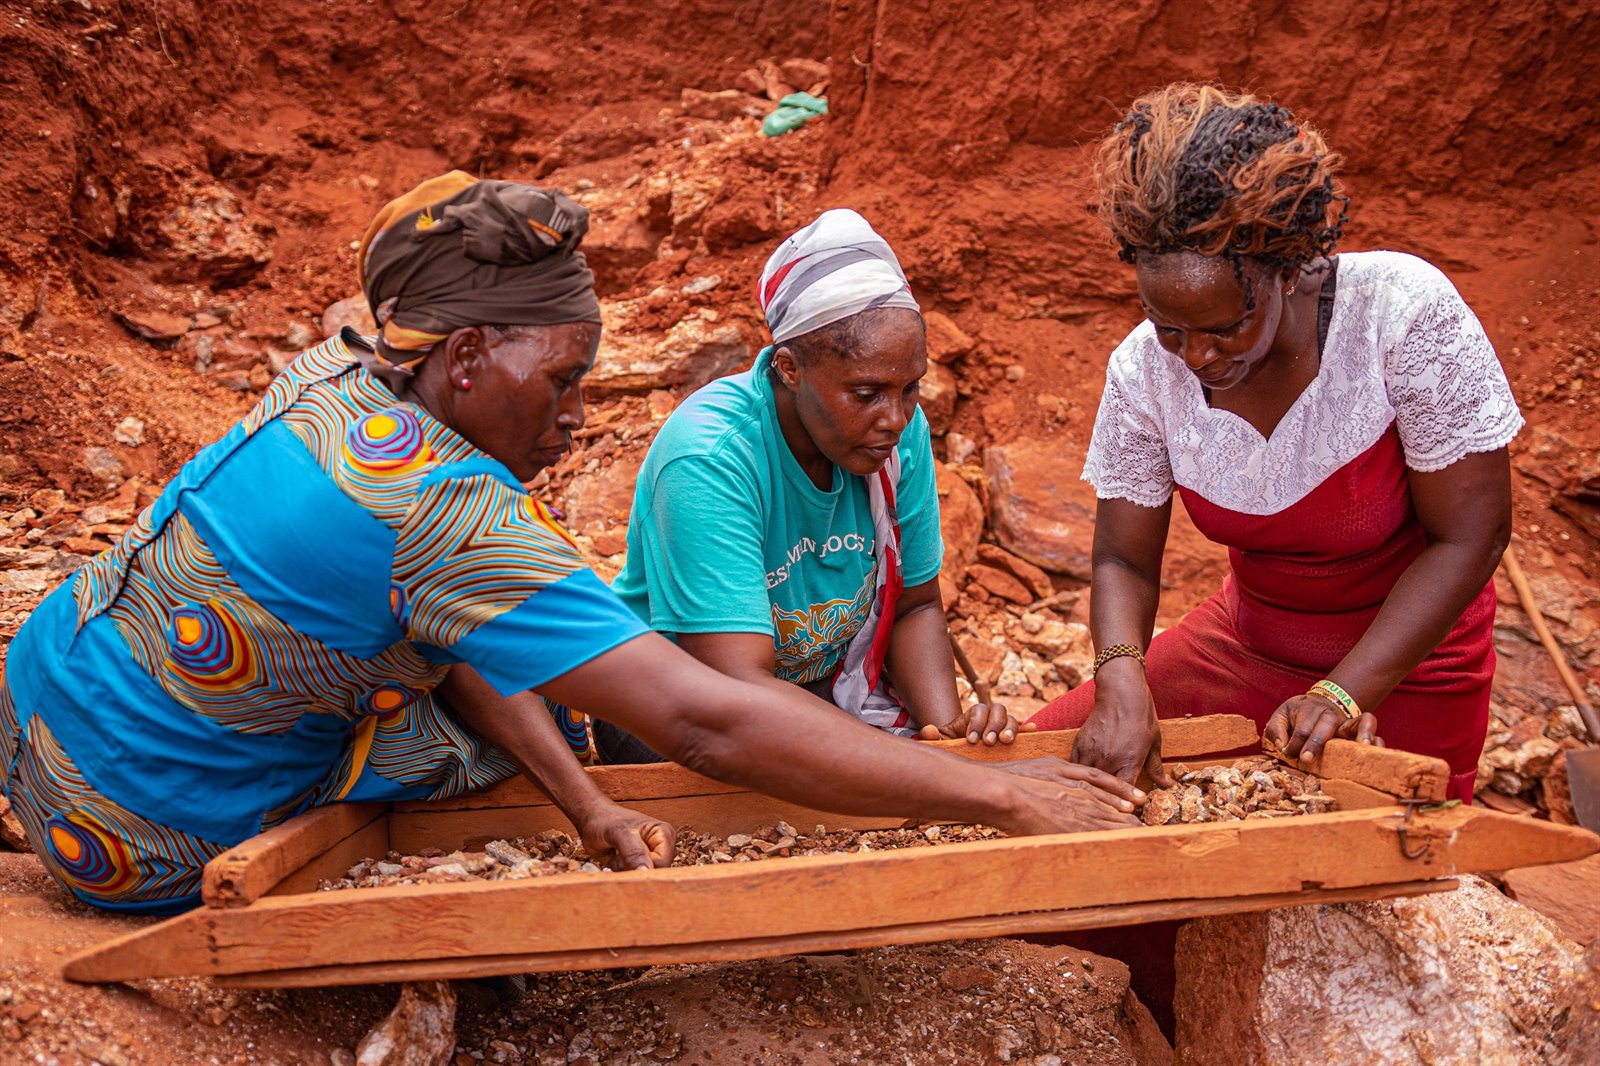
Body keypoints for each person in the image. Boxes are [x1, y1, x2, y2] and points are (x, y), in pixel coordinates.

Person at [0, 173, 1141, 914]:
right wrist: (993, 797)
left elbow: (446, 627)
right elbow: (705, 717)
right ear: (464, 357)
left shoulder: (333, 377)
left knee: (458, 663)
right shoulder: (447, 513)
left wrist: (586, 806)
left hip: (39, 707)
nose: (579, 413)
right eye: (560, 379)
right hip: (129, 834)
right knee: (508, 732)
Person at [1031, 85, 1521, 802]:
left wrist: (1345, 695)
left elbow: (1473, 537)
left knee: (1346, 891)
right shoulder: (1142, 370)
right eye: (1170, 326)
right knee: (1040, 795)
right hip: (1243, 649)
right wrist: (1121, 677)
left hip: (1404, 670)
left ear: (1287, 271)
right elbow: (1121, 556)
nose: (1194, 355)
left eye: (1226, 327)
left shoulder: (1400, 314)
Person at [606, 209, 1025, 764]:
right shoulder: (709, 457)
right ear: (788, 369)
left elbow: (915, 606)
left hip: (811, 695)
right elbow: (738, 690)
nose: (895, 417)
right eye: (866, 392)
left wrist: (947, 737)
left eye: (911, 389)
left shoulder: (896, 434)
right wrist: (946, 777)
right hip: (679, 718)